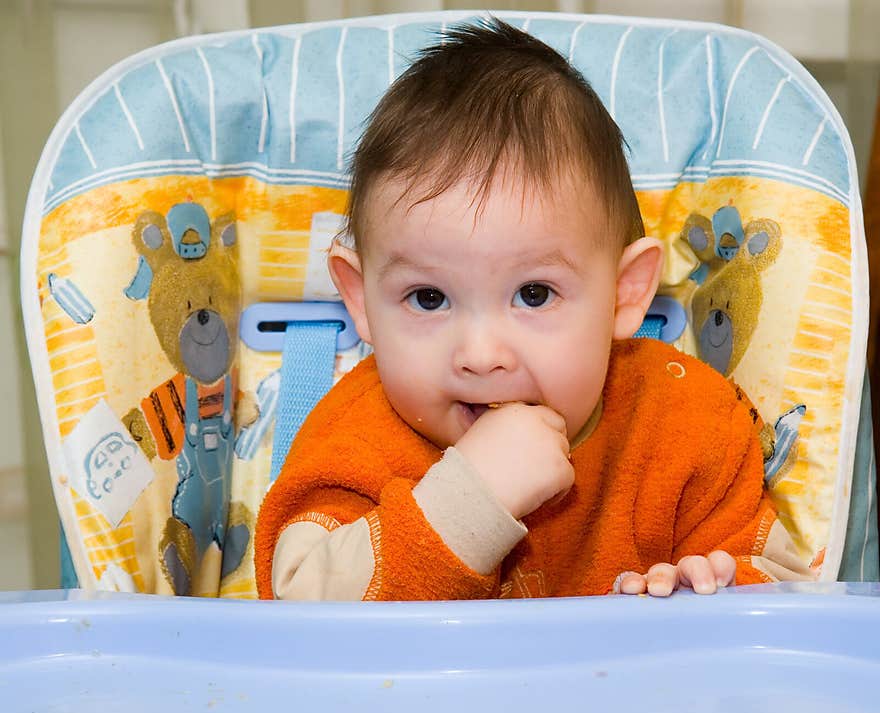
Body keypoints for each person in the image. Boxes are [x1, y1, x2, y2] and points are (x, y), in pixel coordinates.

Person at [253, 17, 814, 601]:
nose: (480, 355)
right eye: (428, 298)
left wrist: (705, 592)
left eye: (534, 294)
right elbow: (298, 617)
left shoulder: (690, 427)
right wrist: (465, 503)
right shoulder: (354, 442)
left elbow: (787, 602)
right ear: (360, 301)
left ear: (625, 294)